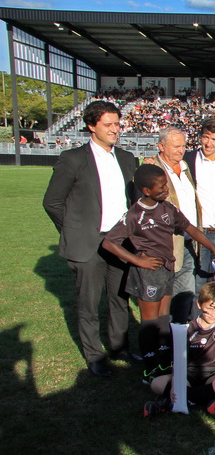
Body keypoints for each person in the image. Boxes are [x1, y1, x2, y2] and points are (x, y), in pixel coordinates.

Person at [102, 164, 215, 382]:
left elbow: (191, 229)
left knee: (162, 320)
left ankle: (163, 360)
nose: (166, 190)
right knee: (149, 322)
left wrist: (213, 249)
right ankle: (149, 368)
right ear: (146, 190)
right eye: (161, 187)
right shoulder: (135, 214)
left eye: (166, 185)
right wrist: (137, 259)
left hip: (167, 269)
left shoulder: (168, 209)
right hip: (147, 274)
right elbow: (109, 243)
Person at [43, 100, 137, 377]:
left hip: (119, 241)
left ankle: (119, 348)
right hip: (88, 243)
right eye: (108, 125)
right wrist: (72, 231)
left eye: (117, 124)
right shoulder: (72, 159)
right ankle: (95, 355)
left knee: (120, 298)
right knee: (89, 302)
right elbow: (52, 202)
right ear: (91, 125)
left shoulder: (127, 158)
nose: (115, 130)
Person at [143, 281, 215, 417]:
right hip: (188, 373)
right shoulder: (188, 327)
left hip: (213, 373)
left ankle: (175, 400)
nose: (213, 314)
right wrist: (175, 382)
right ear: (199, 304)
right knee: (156, 384)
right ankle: (205, 398)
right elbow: (177, 359)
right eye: (209, 309)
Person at [145, 126, 199, 323]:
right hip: (164, 245)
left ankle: (180, 336)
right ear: (161, 146)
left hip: (187, 243)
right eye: (176, 146)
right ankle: (161, 340)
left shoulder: (185, 167)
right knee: (162, 298)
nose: (181, 150)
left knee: (185, 294)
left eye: (183, 145)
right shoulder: (152, 170)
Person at [184, 118, 215, 293]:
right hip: (198, 232)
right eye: (206, 137)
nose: (208, 143)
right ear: (200, 137)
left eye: (214, 139)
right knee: (197, 284)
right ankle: (194, 319)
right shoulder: (187, 161)